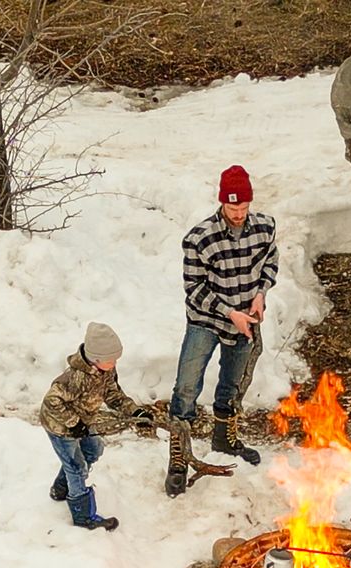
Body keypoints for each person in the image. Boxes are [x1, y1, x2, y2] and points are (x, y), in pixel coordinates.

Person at [165, 164, 278, 496]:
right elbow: (194, 289)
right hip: (207, 320)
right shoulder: (199, 239)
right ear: (221, 203)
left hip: (246, 317)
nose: (239, 213)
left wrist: (260, 295)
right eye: (233, 207)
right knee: (186, 386)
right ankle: (178, 457)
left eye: (243, 207)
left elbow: (270, 263)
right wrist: (230, 313)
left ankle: (223, 437)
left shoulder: (265, 227)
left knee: (232, 381)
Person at [40, 322, 153, 531]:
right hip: (59, 426)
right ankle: (83, 516)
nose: (114, 363)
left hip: (84, 421)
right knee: (76, 466)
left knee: (93, 449)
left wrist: (135, 411)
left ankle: (60, 488)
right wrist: (73, 424)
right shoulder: (74, 377)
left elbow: (112, 394)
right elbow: (51, 402)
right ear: (96, 359)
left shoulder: (105, 370)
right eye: (111, 360)